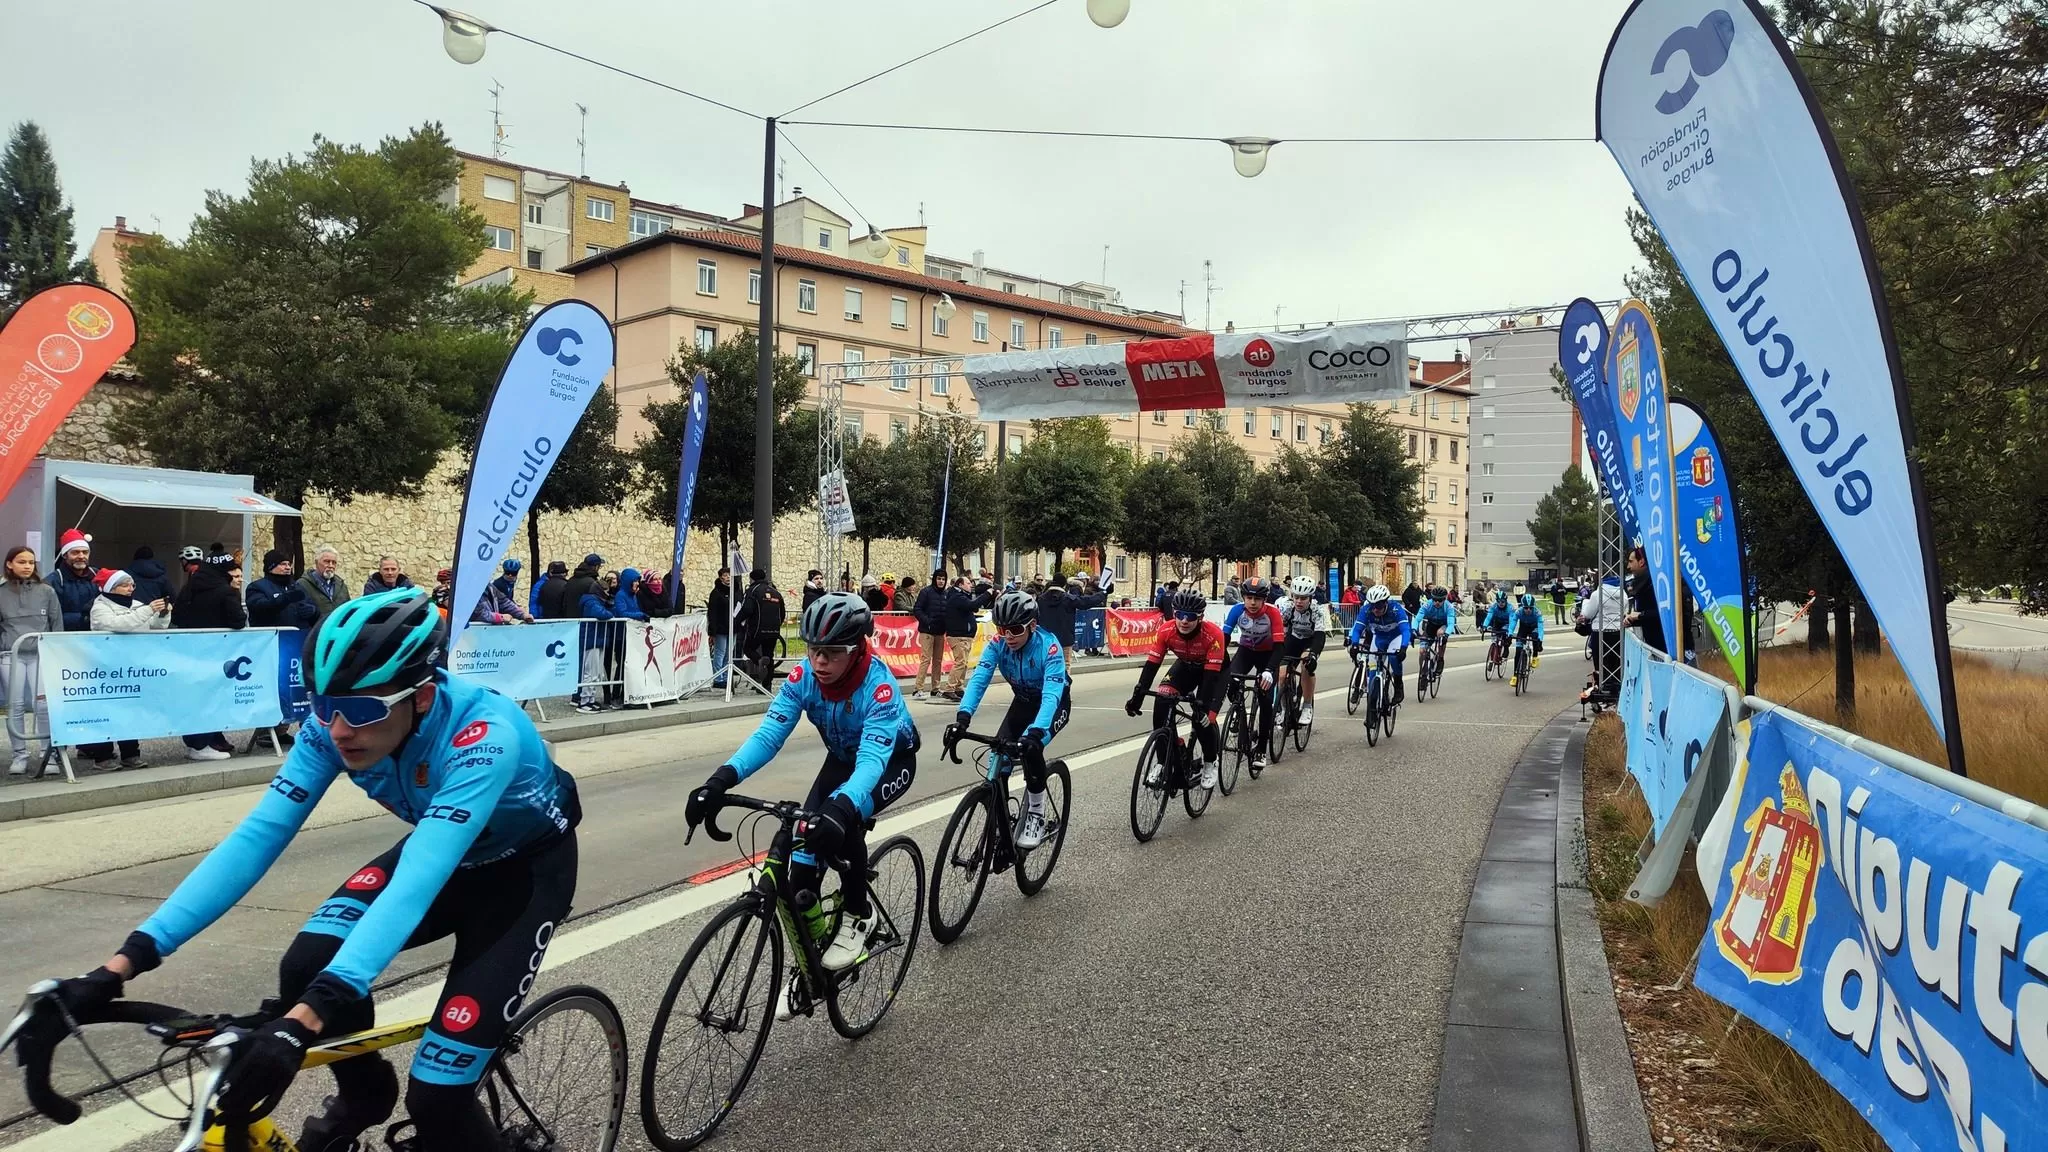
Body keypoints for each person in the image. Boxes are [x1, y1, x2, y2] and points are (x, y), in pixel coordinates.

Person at [32, 588, 580, 1151]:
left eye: (365, 709)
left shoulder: (484, 736)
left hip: (523, 878)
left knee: (438, 1097)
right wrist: (119, 967)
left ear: (420, 697)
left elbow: (420, 874)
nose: (340, 729)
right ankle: (365, 1093)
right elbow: (257, 838)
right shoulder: (332, 727)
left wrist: (306, 1022)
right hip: (446, 857)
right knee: (306, 964)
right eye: (324, 705)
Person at [686, 593, 917, 997]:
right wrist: (720, 780)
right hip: (842, 760)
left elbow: (871, 762)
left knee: (846, 823)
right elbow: (769, 735)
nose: (819, 662)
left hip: (887, 764)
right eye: (813, 651)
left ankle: (859, 916)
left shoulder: (879, 688)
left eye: (831, 653)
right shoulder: (804, 678)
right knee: (802, 870)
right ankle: (815, 965)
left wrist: (843, 807)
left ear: (858, 647)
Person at [947, 590, 1070, 849]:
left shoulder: (1049, 646)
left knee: (1031, 749)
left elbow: (1051, 695)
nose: (1008, 636)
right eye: (1002, 629)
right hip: (1023, 703)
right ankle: (1001, 825)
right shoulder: (998, 644)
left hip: (1053, 704)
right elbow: (979, 678)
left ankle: (1036, 812)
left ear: (1032, 626)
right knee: (997, 757)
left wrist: (1036, 732)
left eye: (1015, 629)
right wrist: (963, 717)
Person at [47, 530, 143, 770]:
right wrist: (85, 617)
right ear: (65, 554)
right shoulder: (54, 580)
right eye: (75, 552)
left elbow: (115, 602)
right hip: (72, 647)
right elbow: (54, 615)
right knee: (88, 703)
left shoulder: (97, 575)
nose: (81, 556)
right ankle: (92, 751)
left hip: (106, 650)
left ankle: (119, 751)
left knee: (117, 700)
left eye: (84, 552)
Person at [1124, 588, 1226, 790]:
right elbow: (1151, 666)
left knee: (1203, 719)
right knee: (1162, 698)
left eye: (1190, 617)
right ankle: (1163, 762)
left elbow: (1211, 680)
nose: (1184, 621)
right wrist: (1138, 696)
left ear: (1200, 617)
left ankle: (1210, 761)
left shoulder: (1213, 634)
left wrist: (1204, 706)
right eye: (1179, 615)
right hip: (1186, 666)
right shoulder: (1166, 630)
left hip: (1214, 671)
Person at [0, 547, 60, 774]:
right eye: (21, 561)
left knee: (43, 705)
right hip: (10, 655)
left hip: (41, 655)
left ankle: (49, 754)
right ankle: (19, 755)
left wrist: (57, 654)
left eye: (31, 562)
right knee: (14, 705)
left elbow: (57, 624)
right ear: (9, 564)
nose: (27, 566)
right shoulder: (1, 591)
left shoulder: (47, 591)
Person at [1219, 575, 1283, 771]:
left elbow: (1280, 646)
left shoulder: (1272, 613)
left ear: (1264, 600)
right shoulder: (1237, 611)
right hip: (1246, 651)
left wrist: (1270, 671)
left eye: (1257, 599)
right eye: (1249, 598)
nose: (1252, 603)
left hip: (1268, 654)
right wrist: (1224, 665)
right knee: (1230, 681)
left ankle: (1262, 749)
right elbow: (1223, 640)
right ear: (1244, 597)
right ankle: (1239, 712)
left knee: (1264, 700)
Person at [1273, 576, 1332, 725]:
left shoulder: (1317, 610)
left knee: (1306, 665)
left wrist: (1313, 654)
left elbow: (1319, 636)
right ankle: (1284, 708)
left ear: (1310, 598)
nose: (1299, 601)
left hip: (1311, 641)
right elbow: (1281, 631)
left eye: (1303, 598)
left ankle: (1307, 706)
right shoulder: (1287, 607)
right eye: (1296, 597)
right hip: (1293, 639)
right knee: (1281, 674)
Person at [1347, 584, 1412, 705]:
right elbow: (1357, 629)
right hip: (1379, 638)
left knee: (1393, 657)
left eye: (1379, 605)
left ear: (1386, 602)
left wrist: (1403, 647)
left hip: (1395, 637)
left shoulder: (1396, 609)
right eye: (1373, 605)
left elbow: (1405, 630)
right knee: (1372, 672)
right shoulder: (1366, 610)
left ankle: (1398, 685)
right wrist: (1354, 644)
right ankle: (1372, 708)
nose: (1375, 609)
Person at [1579, 574, 1628, 702]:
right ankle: (1616, 689)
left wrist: (1585, 607)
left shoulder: (1597, 594)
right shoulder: (1623, 594)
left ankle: (1601, 688)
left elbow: (1588, 613)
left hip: (1599, 632)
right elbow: (1625, 613)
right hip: (1618, 632)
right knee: (1616, 663)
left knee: (1600, 665)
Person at [941, 574, 989, 701]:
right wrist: (987, 594)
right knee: (960, 662)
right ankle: (949, 688)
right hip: (958, 635)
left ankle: (958, 687)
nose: (971, 585)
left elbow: (973, 607)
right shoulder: (957, 597)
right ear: (960, 585)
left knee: (964, 663)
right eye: (968, 583)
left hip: (965, 635)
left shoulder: (962, 596)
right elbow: (972, 605)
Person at [736, 568, 785, 684]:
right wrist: (777, 624)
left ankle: (759, 660)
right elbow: (782, 612)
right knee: (769, 655)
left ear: (752, 579)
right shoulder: (776, 593)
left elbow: (747, 609)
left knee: (748, 648)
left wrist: (737, 620)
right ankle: (767, 684)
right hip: (774, 630)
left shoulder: (753, 591)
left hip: (757, 628)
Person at [248, 550, 314, 630]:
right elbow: (259, 608)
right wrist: (284, 599)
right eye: (283, 564)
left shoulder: (296, 586)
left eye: (289, 564)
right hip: (271, 638)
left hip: (297, 637)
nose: (288, 567)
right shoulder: (257, 587)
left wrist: (313, 612)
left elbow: (312, 607)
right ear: (271, 567)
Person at [911, 568, 947, 699]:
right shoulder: (926, 592)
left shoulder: (946, 594)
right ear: (934, 579)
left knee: (938, 661)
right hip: (927, 631)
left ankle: (935, 688)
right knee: (925, 659)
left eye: (943, 579)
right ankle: (918, 688)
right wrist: (927, 621)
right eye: (939, 578)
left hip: (940, 632)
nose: (941, 581)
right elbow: (917, 609)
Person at [1624, 546, 1668, 654]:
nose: (1628, 566)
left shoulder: (1655, 583)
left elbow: (1664, 613)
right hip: (1653, 645)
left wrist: (1639, 615)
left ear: (1642, 562)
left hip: (1664, 646)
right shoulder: (1643, 584)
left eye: (1631, 561)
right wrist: (1633, 620)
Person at [296, 545, 351, 628]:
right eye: (327, 561)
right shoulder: (303, 585)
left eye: (334, 562)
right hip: (314, 635)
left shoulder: (342, 586)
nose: (331, 565)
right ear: (316, 562)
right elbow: (301, 613)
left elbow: (348, 610)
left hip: (338, 634)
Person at [1415, 586, 1453, 683]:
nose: (1437, 602)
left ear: (1444, 599)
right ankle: (1423, 671)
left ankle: (1440, 658)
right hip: (1431, 625)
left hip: (1443, 625)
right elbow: (1417, 618)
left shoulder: (1448, 607)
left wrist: (1447, 634)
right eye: (1435, 599)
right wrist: (1413, 629)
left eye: (1440, 600)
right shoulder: (1427, 605)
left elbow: (1451, 623)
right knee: (1422, 651)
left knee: (1440, 633)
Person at [706, 566, 734, 688]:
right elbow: (712, 612)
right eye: (725, 575)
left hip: (733, 627)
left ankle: (727, 675)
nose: (728, 577)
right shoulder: (716, 593)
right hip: (721, 627)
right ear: (721, 577)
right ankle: (718, 677)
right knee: (720, 652)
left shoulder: (735, 590)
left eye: (729, 575)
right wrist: (712, 629)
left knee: (729, 653)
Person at [1511, 593, 1546, 686]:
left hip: (1534, 627)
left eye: (1531, 608)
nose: (1528, 610)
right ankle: (1515, 676)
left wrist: (1540, 639)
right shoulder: (1518, 611)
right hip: (1523, 628)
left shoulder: (1537, 612)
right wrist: (1510, 633)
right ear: (1522, 606)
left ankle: (1535, 656)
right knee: (1518, 651)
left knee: (1535, 638)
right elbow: (1513, 622)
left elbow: (1541, 627)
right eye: (1526, 608)